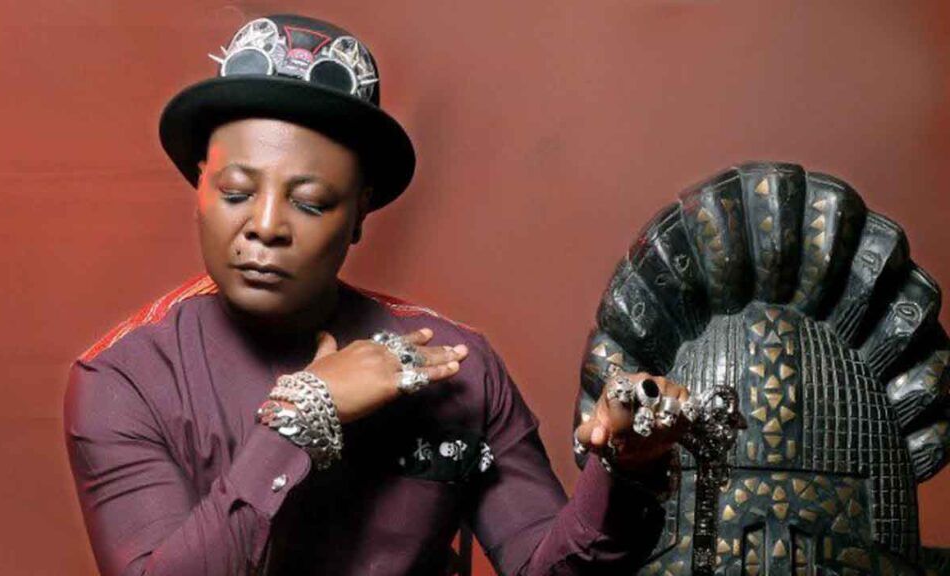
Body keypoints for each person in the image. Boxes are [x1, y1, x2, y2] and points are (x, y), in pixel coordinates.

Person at [63, 14, 689, 576]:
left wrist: (627, 469)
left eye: (311, 202)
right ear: (199, 187)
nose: (266, 226)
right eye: (235, 193)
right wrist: (303, 416)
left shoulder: (456, 368)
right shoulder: (125, 380)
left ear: (360, 214)